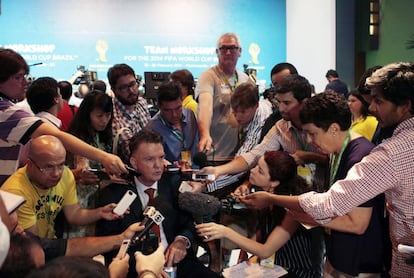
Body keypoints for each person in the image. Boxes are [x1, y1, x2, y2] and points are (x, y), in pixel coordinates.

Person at [241, 62, 414, 277]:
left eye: (379, 101)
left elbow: (343, 213)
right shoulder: (338, 152)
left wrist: (276, 201)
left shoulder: (379, 153)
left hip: (362, 262)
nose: (371, 108)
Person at [96, 130, 219, 278]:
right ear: (134, 163)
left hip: (177, 263)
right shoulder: (113, 195)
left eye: (161, 158)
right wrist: (147, 269)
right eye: (149, 159)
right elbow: (109, 246)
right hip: (135, 268)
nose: (158, 165)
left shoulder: (174, 183)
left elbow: (187, 222)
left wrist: (181, 240)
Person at [0, 48, 126, 186]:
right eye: (18, 77)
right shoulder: (6, 111)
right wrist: (104, 157)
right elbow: (57, 136)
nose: (25, 82)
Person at [295, 91, 384, 276]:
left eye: (312, 134)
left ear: (334, 128)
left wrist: (311, 216)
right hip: (339, 254)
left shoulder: (360, 157)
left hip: (359, 262)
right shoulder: (336, 151)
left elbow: (357, 224)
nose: (309, 141)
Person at [198, 151, 316, 278]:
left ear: (274, 183)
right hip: (272, 266)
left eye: (260, 171)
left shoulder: (290, 209)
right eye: (255, 166)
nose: (252, 171)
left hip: (295, 271)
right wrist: (247, 252)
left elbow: (265, 250)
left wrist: (225, 232)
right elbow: (259, 238)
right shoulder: (265, 199)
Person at [1, 135, 124, 239]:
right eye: (48, 167)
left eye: (61, 165)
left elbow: (74, 214)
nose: (56, 174)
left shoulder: (65, 174)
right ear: (29, 164)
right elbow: (35, 242)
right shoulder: (15, 192)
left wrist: (100, 212)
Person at [64, 91, 115, 237]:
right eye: (99, 116)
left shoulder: (104, 136)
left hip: (98, 198)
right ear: (87, 114)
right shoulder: (75, 139)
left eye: (108, 115)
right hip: (77, 200)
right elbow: (77, 171)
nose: (104, 120)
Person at [195, 32, 251, 164]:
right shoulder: (208, 77)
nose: (228, 52)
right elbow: (205, 107)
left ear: (240, 51)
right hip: (215, 155)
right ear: (217, 52)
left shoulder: (245, 79)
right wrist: (204, 134)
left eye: (232, 48)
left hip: (240, 156)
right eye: (223, 48)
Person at [146, 81, 199, 165]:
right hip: (171, 175)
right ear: (159, 106)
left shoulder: (190, 114)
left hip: (196, 171)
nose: (174, 115)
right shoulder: (152, 128)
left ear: (182, 101)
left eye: (178, 108)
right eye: (168, 110)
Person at [108, 63, 151, 164]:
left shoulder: (142, 103)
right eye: (124, 88)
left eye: (132, 84)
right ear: (114, 90)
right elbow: (131, 151)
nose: (131, 90)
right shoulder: (112, 114)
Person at [259, 62, 298, 142]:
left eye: (285, 83)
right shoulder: (274, 120)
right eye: (276, 85)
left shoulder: (314, 116)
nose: (281, 88)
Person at [231, 82, 272, 156]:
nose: (237, 117)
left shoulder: (261, 121)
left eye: (243, 112)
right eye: (235, 111)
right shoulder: (254, 105)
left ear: (256, 106)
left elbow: (245, 156)